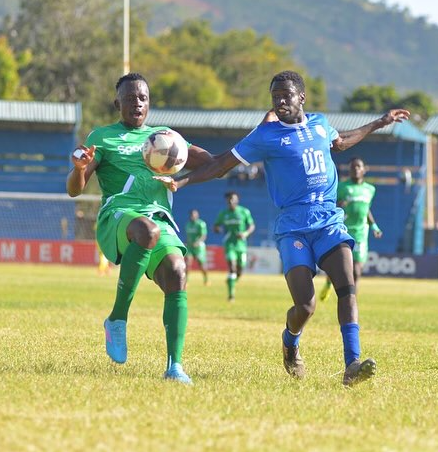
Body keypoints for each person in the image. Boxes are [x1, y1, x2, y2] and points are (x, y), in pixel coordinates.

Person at [159, 70, 410, 386]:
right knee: (305, 306)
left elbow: (342, 142)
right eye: (274, 96)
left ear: (301, 97)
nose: (279, 101)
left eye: (286, 95)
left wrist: (379, 122)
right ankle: (290, 341)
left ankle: (352, 364)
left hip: (328, 220)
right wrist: (181, 182)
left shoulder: (320, 123)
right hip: (293, 226)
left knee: (347, 286)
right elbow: (220, 165)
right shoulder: (265, 136)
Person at [66, 72, 215, 384]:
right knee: (146, 231)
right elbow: (74, 190)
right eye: (131, 97)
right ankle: (118, 319)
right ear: (117, 102)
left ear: (149, 104)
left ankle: (175, 367)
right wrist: (80, 169)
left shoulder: (164, 138)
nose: (137, 103)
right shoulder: (102, 137)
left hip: (159, 218)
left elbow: (210, 162)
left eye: (143, 98)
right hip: (119, 215)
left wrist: (192, 158)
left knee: (177, 271)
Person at [319, 157, 382, 302]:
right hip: (343, 230)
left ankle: (351, 300)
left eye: (358, 166)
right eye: (352, 167)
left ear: (364, 169)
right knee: (339, 266)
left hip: (360, 233)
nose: (355, 169)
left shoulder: (370, 190)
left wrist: (374, 226)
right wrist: (339, 204)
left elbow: (366, 210)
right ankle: (329, 282)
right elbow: (332, 207)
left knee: (356, 270)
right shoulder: (341, 187)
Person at [213, 191, 255, 301]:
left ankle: (230, 282)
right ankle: (231, 295)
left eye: (233, 199)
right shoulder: (223, 213)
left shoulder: (244, 212)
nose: (231, 201)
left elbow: (251, 225)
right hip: (229, 243)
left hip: (241, 245)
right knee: (232, 267)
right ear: (227, 200)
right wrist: (217, 229)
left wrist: (245, 233)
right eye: (229, 199)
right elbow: (216, 226)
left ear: (237, 200)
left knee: (239, 271)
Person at [184, 209, 209, 286]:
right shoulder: (188, 224)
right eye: (191, 215)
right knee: (187, 263)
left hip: (199, 248)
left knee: (201, 264)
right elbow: (188, 236)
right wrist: (186, 242)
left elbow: (203, 235)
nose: (193, 216)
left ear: (197, 215)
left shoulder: (201, 224)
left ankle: (206, 279)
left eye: (194, 214)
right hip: (190, 247)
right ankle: (186, 281)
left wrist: (198, 242)